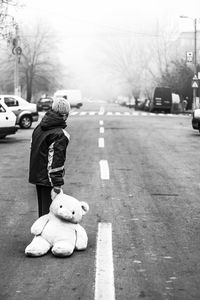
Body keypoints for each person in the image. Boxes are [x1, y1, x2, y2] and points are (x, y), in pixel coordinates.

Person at [29, 97, 71, 217]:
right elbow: (56, 162)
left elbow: (33, 147)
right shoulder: (59, 134)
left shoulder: (39, 127)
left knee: (43, 212)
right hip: (49, 180)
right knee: (51, 215)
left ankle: (41, 234)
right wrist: (57, 184)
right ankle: (45, 235)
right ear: (63, 115)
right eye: (67, 115)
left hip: (38, 175)